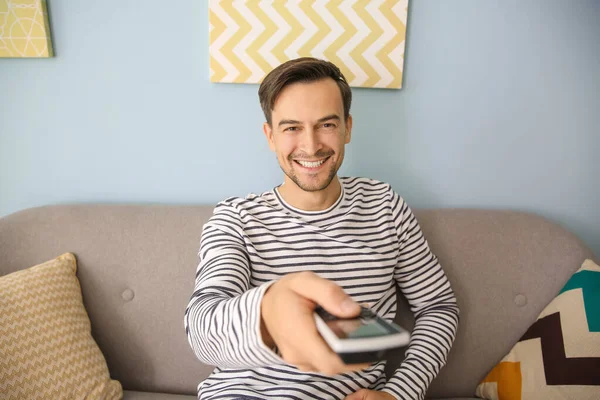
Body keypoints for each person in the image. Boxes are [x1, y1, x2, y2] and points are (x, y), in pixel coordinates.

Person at [185, 57, 459, 400]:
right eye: (291, 128)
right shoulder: (235, 217)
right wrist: (268, 312)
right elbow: (202, 329)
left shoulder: (385, 206)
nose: (311, 145)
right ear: (270, 136)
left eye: (326, 125)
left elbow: (438, 307)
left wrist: (399, 394)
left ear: (347, 127)